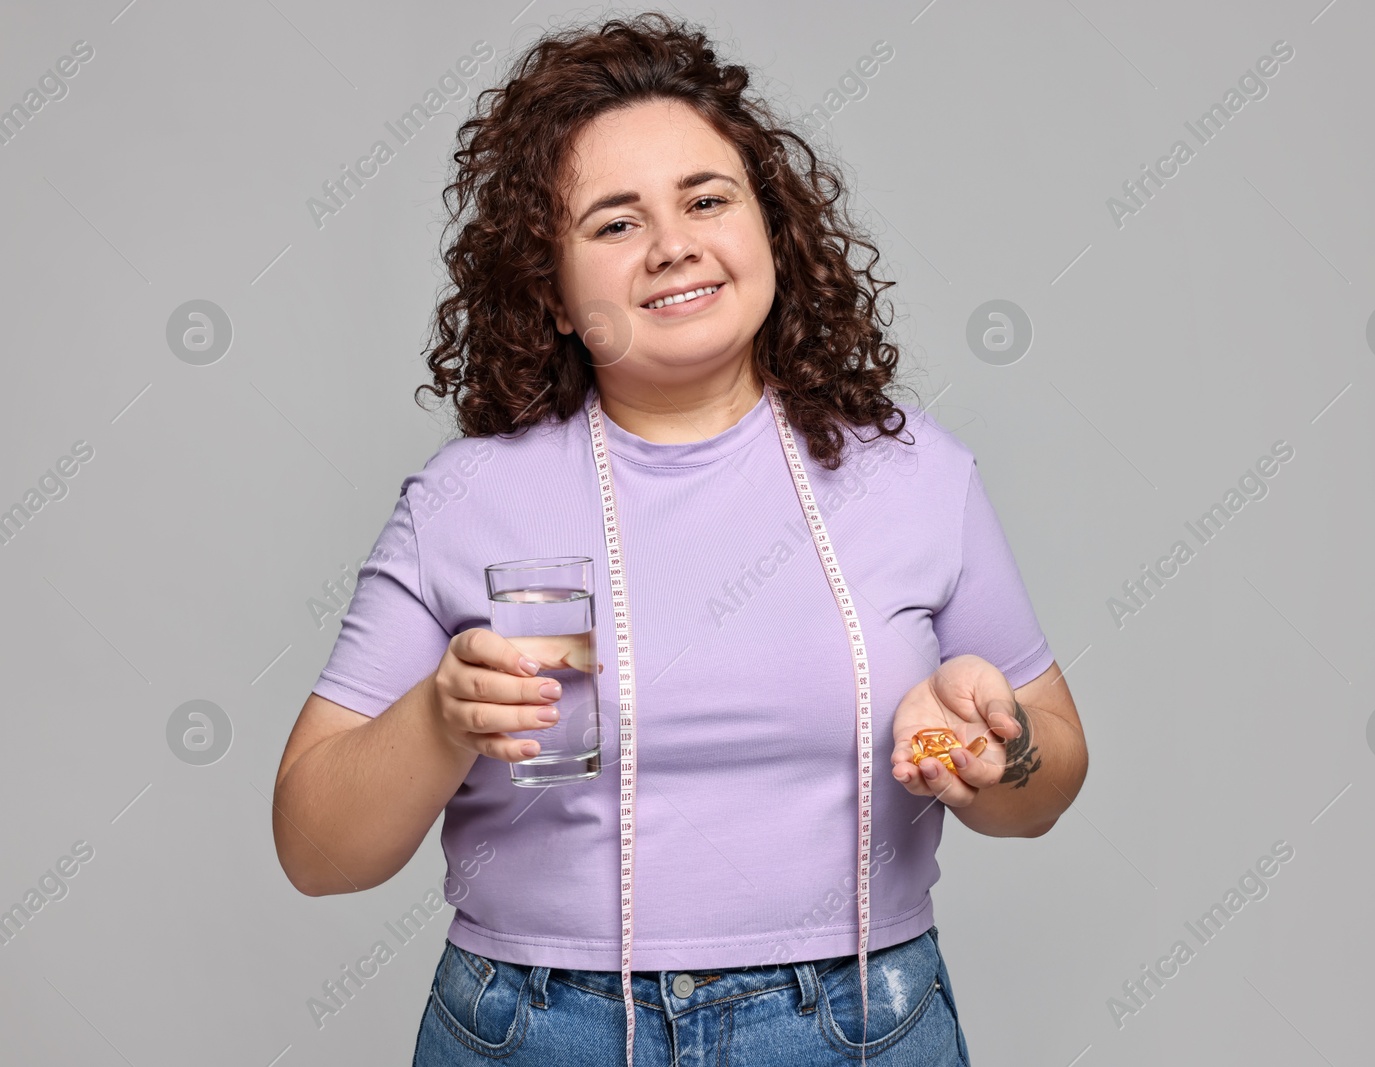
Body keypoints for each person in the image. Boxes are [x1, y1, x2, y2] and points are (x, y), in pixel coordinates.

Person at [270, 12, 1088, 1066]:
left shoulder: (913, 472)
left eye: (707, 199)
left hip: (856, 1025)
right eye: (614, 224)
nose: (673, 244)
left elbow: (1045, 788)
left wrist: (1000, 743)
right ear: (554, 295)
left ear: (770, 229)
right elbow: (314, 847)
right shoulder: (465, 501)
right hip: (535, 1030)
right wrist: (439, 715)